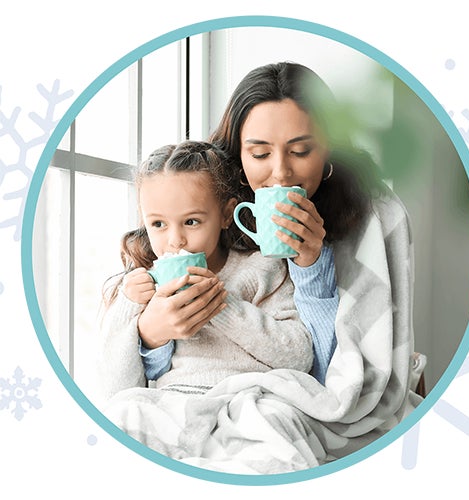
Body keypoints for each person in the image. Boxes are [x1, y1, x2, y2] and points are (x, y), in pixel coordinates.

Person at [209, 61, 387, 384]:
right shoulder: (209, 211)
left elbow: (329, 379)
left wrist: (312, 266)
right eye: (260, 154)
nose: (281, 172)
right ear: (237, 156)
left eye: (301, 150)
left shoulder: (367, 219)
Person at [98, 140, 313, 400]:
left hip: (253, 398)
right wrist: (135, 314)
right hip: (176, 403)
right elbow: (114, 391)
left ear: (225, 214)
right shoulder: (141, 288)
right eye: (158, 224)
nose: (175, 240)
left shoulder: (262, 268)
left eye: (191, 221)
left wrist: (222, 305)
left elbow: (299, 358)